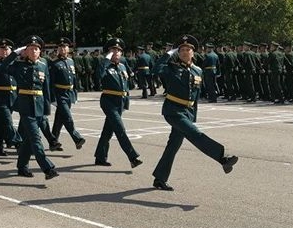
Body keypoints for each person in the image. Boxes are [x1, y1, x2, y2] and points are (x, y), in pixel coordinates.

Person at [151, 34, 238, 191]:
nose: (185, 52)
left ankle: (160, 178)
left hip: (188, 112)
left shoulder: (198, 71)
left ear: (193, 52)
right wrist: (168, 54)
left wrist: (193, 116)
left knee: (173, 146)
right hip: (173, 111)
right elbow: (155, 70)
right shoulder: (171, 68)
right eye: (182, 50)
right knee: (195, 134)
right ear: (178, 53)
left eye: (188, 50)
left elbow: (195, 97)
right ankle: (222, 158)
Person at [4, 35, 58, 180]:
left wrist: (47, 108)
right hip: (25, 107)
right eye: (31, 49)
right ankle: (48, 168)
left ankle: (22, 167)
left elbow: (46, 87)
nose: (34, 51)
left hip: (39, 106)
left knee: (28, 139)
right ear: (25, 51)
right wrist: (15, 53)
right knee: (35, 139)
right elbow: (3, 67)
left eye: (37, 49)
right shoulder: (18, 65)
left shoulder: (43, 64)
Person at [94, 38, 142, 168]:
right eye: (113, 50)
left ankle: (100, 156)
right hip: (108, 101)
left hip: (120, 102)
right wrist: (106, 59)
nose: (116, 53)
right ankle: (132, 157)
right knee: (120, 129)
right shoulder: (104, 65)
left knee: (108, 131)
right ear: (108, 52)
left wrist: (126, 102)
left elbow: (126, 85)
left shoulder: (122, 66)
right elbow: (98, 76)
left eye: (119, 51)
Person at [49, 37, 86, 150]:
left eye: (65, 47)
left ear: (68, 48)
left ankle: (53, 142)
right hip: (60, 94)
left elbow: (74, 78)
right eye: (60, 47)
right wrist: (53, 98)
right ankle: (77, 138)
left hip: (69, 93)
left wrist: (75, 93)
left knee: (59, 119)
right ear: (57, 49)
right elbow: (51, 82)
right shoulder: (54, 63)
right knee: (67, 117)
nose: (63, 49)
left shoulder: (71, 61)